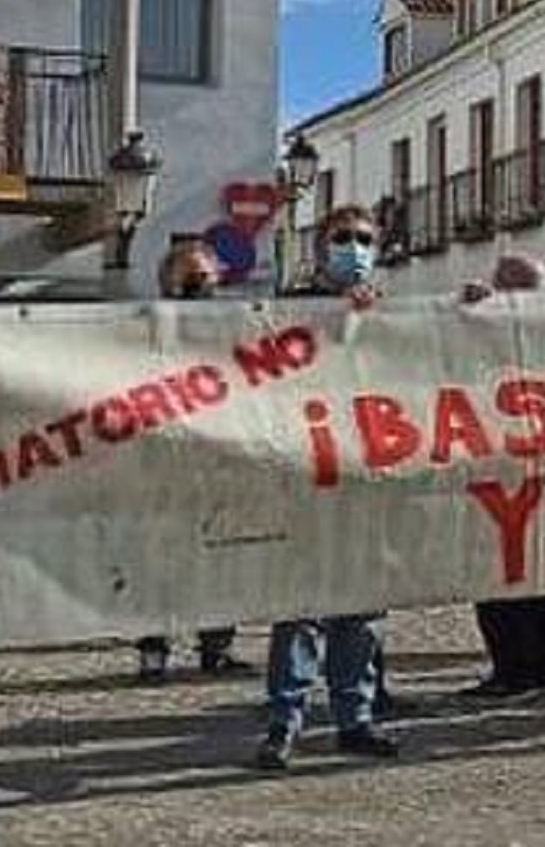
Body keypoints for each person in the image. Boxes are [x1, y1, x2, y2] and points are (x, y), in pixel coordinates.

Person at [256, 203, 398, 772]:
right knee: (301, 609)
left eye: (364, 238)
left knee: (361, 610)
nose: (354, 247)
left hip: (366, 477)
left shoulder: (394, 310)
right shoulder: (289, 307)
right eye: (343, 237)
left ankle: (354, 719)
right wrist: (334, 317)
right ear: (321, 246)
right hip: (307, 476)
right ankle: (283, 722)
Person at [134, 242, 249, 684]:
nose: (198, 285)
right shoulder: (146, 326)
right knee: (159, 559)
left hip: (218, 457)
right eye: (189, 278)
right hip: (164, 459)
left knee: (220, 554)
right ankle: (153, 649)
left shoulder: (232, 327)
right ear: (168, 281)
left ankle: (217, 645)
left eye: (204, 276)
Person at [462, 254, 545, 701]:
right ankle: (530, 667)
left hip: (536, 469)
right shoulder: (492, 326)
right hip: (499, 467)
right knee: (509, 576)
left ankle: (529, 669)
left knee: (529, 578)